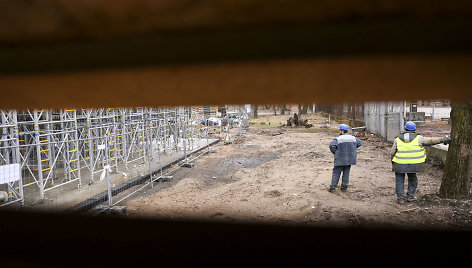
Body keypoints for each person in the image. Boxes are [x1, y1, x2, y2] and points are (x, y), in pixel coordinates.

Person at [391, 121, 451, 204]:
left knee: (399, 181)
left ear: (405, 128)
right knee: (412, 179)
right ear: (415, 129)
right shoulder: (419, 138)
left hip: (399, 163)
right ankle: (410, 196)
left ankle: (400, 199)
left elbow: (392, 152)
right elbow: (432, 140)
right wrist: (443, 139)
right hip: (414, 164)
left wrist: (393, 162)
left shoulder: (397, 139)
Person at [329, 124, 362, 192]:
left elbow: (331, 145)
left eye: (339, 130)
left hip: (340, 159)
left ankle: (333, 187)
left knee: (336, 173)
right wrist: (352, 149)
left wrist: (336, 153)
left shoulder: (338, 139)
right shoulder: (353, 138)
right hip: (349, 159)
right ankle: (344, 187)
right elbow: (359, 143)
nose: (339, 131)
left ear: (342, 131)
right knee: (346, 172)